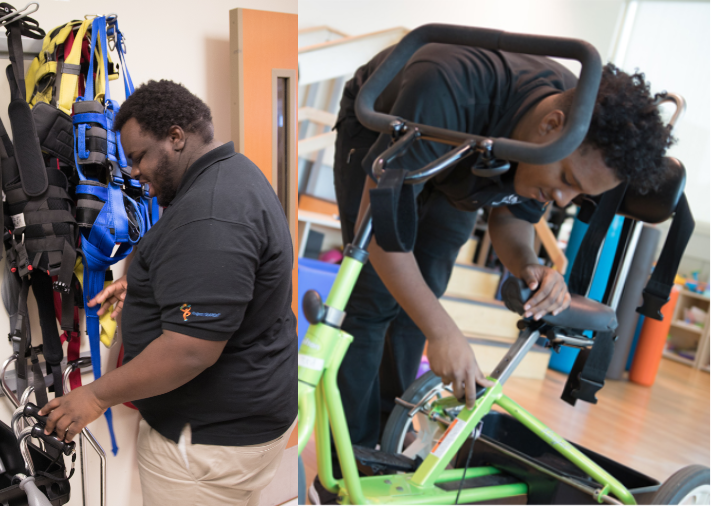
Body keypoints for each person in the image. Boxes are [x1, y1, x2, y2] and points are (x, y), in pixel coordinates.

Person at [325, 42, 672, 479]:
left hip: (475, 149)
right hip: (396, 124)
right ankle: (348, 462)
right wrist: (443, 330)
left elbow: (511, 216)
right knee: (373, 298)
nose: (563, 200)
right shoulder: (447, 86)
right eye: (565, 180)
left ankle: (390, 442)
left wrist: (528, 263)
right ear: (550, 125)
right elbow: (382, 233)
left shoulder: (573, 125)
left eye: (578, 195)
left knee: (425, 290)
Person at [38, 80, 297, 506]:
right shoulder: (233, 172)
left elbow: (190, 350)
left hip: (205, 446)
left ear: (176, 137)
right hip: (238, 424)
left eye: (139, 157)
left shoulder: (210, 213)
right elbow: (225, 277)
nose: (134, 171)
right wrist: (147, 284)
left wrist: (95, 395)